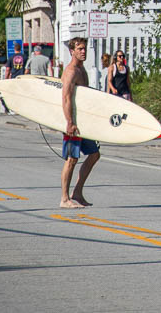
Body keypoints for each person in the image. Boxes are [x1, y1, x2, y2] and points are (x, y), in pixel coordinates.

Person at [60, 37, 100, 209]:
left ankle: (77, 193)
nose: (83, 51)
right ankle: (64, 199)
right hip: (73, 122)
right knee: (71, 159)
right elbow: (66, 98)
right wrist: (69, 122)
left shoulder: (82, 70)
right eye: (79, 49)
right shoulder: (71, 71)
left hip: (83, 122)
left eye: (84, 49)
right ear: (72, 51)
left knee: (94, 154)